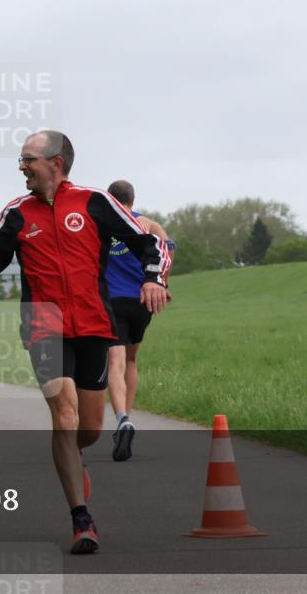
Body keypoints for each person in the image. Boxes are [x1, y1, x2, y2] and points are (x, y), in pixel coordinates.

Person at [0, 131, 170, 554]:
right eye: (20, 161)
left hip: (93, 323)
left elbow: (149, 243)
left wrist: (153, 278)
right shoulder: (16, 214)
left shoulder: (95, 202)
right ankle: (81, 518)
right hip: (43, 324)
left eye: (27, 160)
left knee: (88, 429)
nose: (21, 168)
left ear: (55, 162)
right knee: (65, 415)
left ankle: (75, 461)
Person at [104, 179, 175, 462]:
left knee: (115, 362)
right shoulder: (148, 224)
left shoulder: (103, 225)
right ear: (133, 200)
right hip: (143, 299)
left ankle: (122, 419)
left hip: (112, 301)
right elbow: (167, 250)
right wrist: (163, 284)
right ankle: (129, 417)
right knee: (132, 361)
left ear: (110, 200)